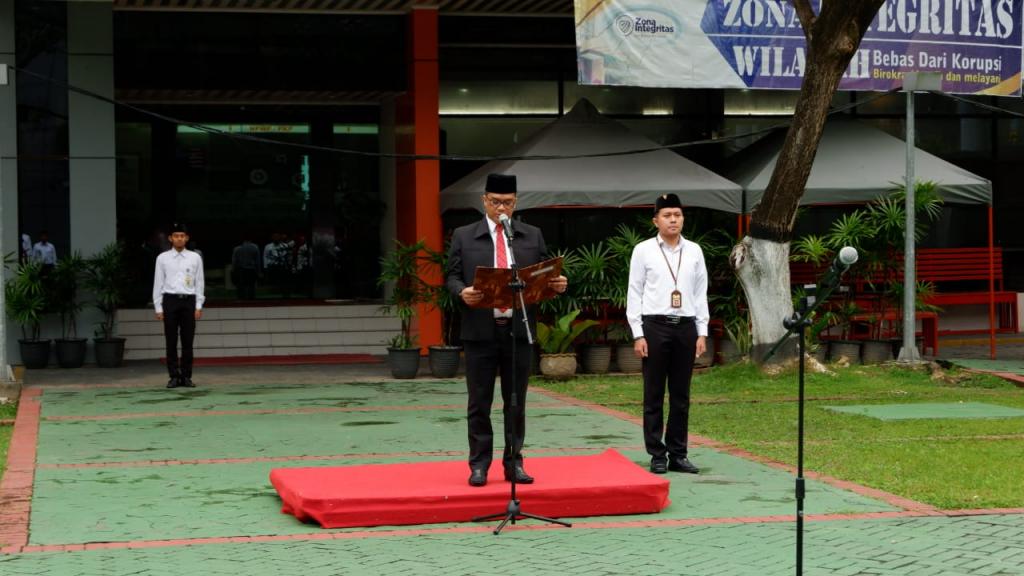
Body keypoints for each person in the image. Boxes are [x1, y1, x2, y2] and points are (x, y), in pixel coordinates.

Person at [446, 173, 568, 487]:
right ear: (484, 201)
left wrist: (556, 285)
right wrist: (462, 292)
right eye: (496, 202)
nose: (502, 207)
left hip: (518, 328)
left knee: (516, 401)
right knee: (479, 401)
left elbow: (542, 274)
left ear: (516, 203)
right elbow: (452, 277)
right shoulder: (464, 235)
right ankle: (479, 464)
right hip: (480, 330)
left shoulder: (530, 235)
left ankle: (514, 462)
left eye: (509, 203)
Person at [626, 193, 708, 475]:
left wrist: (702, 331)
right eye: (667, 215)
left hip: (686, 326)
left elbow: (700, 293)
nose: (673, 220)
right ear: (656, 220)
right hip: (654, 326)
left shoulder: (694, 250)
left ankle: (679, 453)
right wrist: (638, 334)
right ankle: (656, 454)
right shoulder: (644, 250)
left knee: (681, 394)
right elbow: (634, 293)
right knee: (653, 393)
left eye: (678, 215)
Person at [153, 223, 205, 389]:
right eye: (176, 236)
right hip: (170, 300)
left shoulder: (195, 257)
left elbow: (200, 282)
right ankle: (173, 376)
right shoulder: (162, 258)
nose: (179, 239)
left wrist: (198, 305)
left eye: (182, 236)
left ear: (187, 238)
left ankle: (187, 376)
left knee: (188, 340)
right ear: (170, 238)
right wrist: (158, 307)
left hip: (188, 301)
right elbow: (158, 283)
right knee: (171, 340)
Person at [231, 234, 261, 300]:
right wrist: (259, 271)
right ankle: (251, 299)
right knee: (251, 286)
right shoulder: (255, 247)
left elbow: (234, 261)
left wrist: (233, 270)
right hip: (251, 269)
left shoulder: (237, 249)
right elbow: (257, 261)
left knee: (241, 286)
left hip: (241, 270)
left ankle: (241, 299)